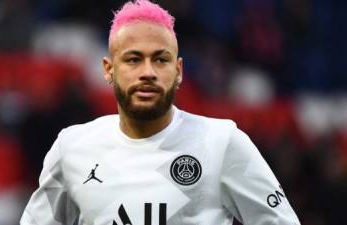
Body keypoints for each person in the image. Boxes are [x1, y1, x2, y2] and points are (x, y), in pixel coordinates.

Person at [20, 0, 301, 224]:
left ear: (178, 71)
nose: (148, 73)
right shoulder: (72, 148)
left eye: (160, 60)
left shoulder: (221, 141)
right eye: (133, 59)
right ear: (108, 69)